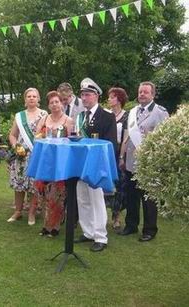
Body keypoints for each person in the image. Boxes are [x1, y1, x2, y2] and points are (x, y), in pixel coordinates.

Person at [119, 81, 169, 242]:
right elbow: (127, 137)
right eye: (140, 92)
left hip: (149, 162)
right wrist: (122, 156)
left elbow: (165, 138)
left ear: (152, 95)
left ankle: (149, 230)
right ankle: (131, 226)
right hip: (131, 161)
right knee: (131, 196)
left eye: (145, 92)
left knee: (148, 198)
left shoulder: (160, 112)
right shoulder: (133, 111)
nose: (141, 94)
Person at [73, 78, 117, 252]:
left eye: (88, 95)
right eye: (82, 95)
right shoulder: (80, 117)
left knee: (97, 201)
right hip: (81, 165)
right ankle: (88, 232)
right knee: (82, 198)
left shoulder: (107, 116)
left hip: (96, 166)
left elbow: (111, 143)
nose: (84, 98)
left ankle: (100, 236)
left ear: (96, 96)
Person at [35, 91, 74, 237]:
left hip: (60, 162)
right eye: (51, 102)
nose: (54, 104)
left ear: (61, 103)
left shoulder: (68, 120)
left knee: (58, 194)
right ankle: (46, 225)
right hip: (45, 161)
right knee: (44, 193)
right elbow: (37, 137)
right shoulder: (44, 119)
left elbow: (72, 141)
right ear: (48, 105)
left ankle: (55, 227)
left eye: (57, 101)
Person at [6, 88, 47, 225]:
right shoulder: (19, 116)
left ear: (38, 99)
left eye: (34, 96)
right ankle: (18, 211)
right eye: (29, 96)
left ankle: (31, 213)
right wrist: (16, 146)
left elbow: (47, 134)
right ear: (25, 99)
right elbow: (12, 135)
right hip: (21, 155)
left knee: (34, 186)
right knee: (19, 184)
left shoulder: (44, 114)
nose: (31, 98)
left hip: (36, 154)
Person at [107, 87, 129, 230]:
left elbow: (126, 138)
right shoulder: (107, 115)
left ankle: (116, 217)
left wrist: (121, 157)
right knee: (107, 184)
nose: (108, 99)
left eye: (111, 97)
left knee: (119, 186)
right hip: (107, 153)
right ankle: (104, 214)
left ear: (119, 99)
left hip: (119, 153)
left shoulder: (126, 116)